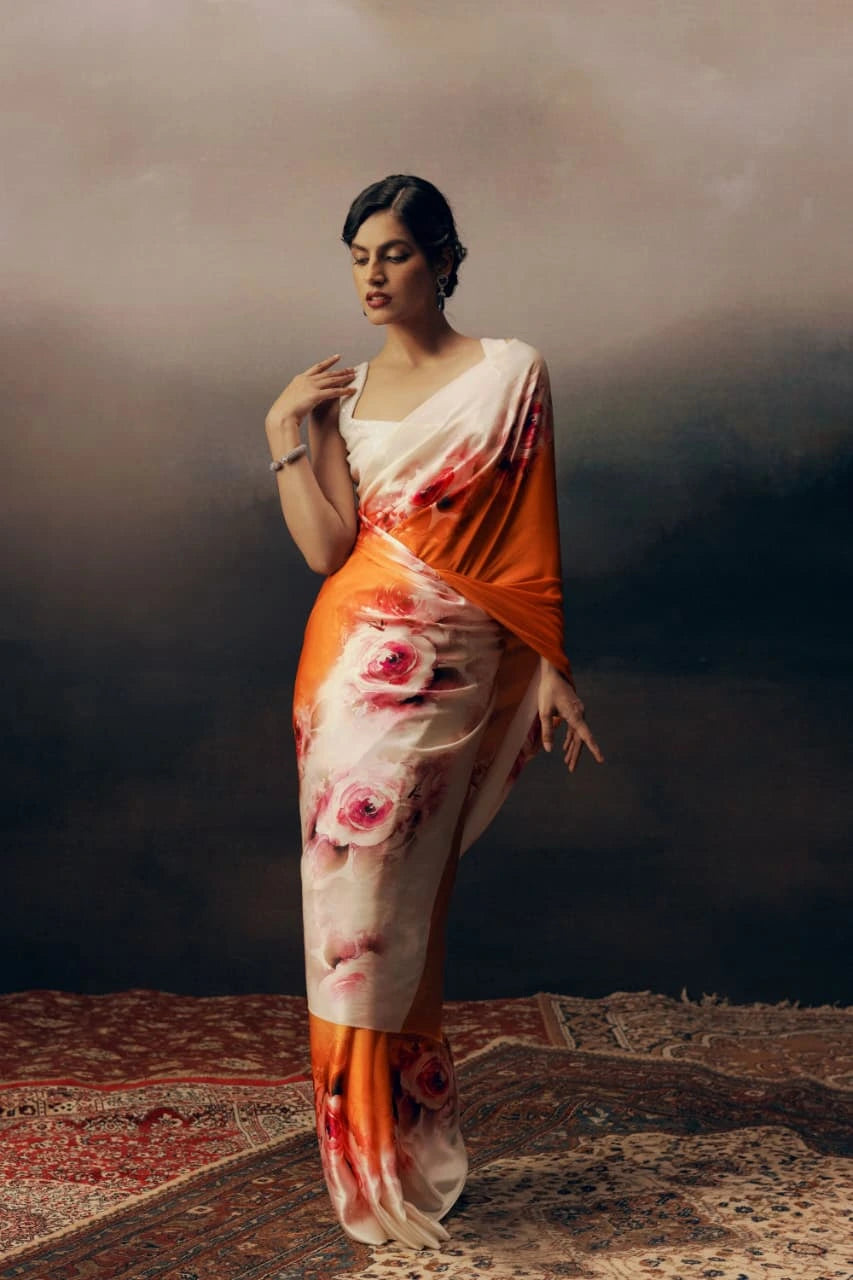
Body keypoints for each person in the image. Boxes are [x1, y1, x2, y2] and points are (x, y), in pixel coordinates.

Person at [264, 174, 605, 1250]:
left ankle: (409, 1135)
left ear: (442, 259)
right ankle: (361, 1158)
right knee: (349, 918)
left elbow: (528, 531)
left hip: (456, 667)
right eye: (358, 255)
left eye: (394, 253)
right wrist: (285, 427)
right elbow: (327, 548)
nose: (371, 273)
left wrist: (548, 662)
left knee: (407, 915)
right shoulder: (345, 398)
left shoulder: (510, 373)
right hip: (352, 672)